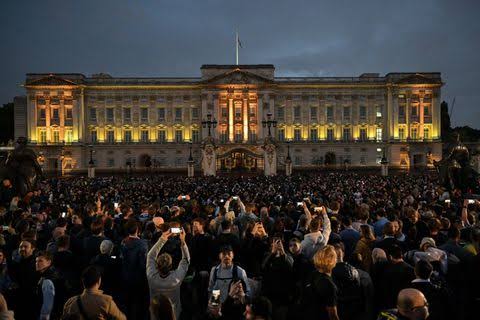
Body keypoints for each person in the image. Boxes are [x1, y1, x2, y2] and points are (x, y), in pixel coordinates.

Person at [146, 228, 190, 320]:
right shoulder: (176, 278)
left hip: (155, 312)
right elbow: (185, 260)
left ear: (157, 266)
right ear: (171, 266)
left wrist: (162, 239)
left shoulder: (151, 276)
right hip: (173, 313)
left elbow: (150, 256)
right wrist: (183, 242)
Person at [120, 218, 149, 320]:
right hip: (138, 279)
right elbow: (143, 264)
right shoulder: (142, 244)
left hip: (126, 276)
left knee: (128, 303)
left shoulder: (123, 242)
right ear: (137, 230)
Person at [301, 245, 339, 320]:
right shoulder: (329, 285)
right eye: (335, 257)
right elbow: (332, 314)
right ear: (332, 260)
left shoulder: (312, 274)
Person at [35, 250, 67, 320]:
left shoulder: (48, 279)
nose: (37, 263)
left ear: (49, 262)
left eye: (40, 261)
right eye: (36, 261)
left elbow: (47, 306)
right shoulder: (50, 274)